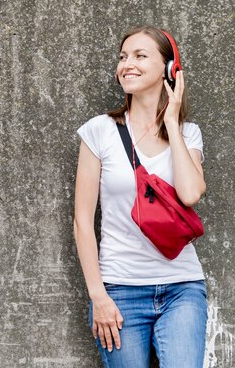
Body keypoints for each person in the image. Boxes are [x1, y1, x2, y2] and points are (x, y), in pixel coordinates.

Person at [73, 25, 208, 368]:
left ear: (169, 69)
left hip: (182, 288)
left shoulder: (188, 134)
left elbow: (190, 193)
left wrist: (173, 122)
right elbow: (82, 221)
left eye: (140, 56)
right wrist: (97, 296)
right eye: (122, 57)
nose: (126, 65)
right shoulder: (99, 130)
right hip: (120, 290)